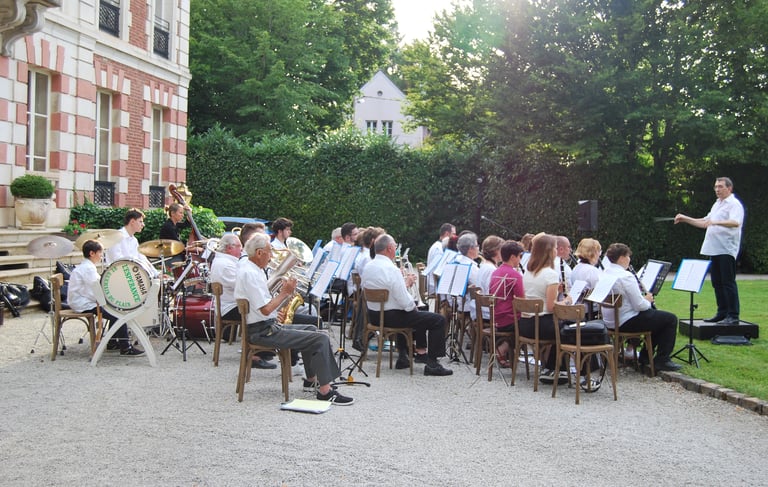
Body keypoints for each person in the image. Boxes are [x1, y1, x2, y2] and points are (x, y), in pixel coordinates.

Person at [234, 233, 354, 405]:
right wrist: (285, 293)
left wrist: (279, 305)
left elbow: (264, 304)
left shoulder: (250, 267)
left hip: (263, 326)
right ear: (259, 253)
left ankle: (311, 380)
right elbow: (266, 309)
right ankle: (325, 391)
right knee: (320, 338)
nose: (271, 256)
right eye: (269, 252)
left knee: (312, 329)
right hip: (263, 331)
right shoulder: (250, 273)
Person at [362, 234, 453, 376]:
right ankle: (433, 364)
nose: (396, 249)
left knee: (412, 313)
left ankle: (403, 356)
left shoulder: (368, 267)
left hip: (373, 316)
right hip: (391, 317)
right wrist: (413, 306)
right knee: (437, 320)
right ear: (389, 248)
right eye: (395, 247)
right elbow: (403, 299)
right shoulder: (391, 269)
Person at [675, 177, 744, 325]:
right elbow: (705, 222)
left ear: (729, 188)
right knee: (717, 283)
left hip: (726, 249)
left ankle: (733, 315)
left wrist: (715, 222)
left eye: (720, 186)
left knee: (728, 282)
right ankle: (722, 313)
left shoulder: (734, 204)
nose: (717, 189)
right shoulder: (717, 204)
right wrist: (685, 218)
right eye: (715, 187)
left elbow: (735, 222)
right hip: (714, 249)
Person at [602, 243, 681, 372]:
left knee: (658, 318)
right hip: (626, 321)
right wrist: (648, 300)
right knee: (670, 319)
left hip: (610, 320)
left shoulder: (605, 272)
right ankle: (662, 360)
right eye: (628, 256)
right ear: (621, 258)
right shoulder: (626, 276)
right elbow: (639, 305)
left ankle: (645, 356)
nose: (629, 259)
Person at [209, 233, 276, 369]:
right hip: (230, 308)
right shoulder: (226, 264)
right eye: (239, 246)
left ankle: (264, 351)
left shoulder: (223, 261)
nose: (242, 249)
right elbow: (244, 286)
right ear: (229, 248)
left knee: (264, 309)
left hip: (230, 305)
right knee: (261, 313)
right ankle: (257, 354)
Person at [67, 240, 144, 356]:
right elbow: (96, 289)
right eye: (100, 253)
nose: (101, 256)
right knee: (119, 314)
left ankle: (112, 342)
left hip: (83, 300)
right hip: (83, 303)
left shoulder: (87, 266)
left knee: (116, 311)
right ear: (92, 253)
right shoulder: (88, 268)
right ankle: (125, 347)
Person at [521, 234, 571, 383]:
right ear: (549, 251)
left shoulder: (528, 271)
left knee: (567, 327)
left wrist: (556, 291)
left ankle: (552, 367)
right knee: (572, 329)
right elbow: (551, 307)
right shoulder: (550, 274)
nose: (556, 251)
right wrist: (567, 301)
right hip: (541, 324)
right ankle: (557, 369)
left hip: (525, 323)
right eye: (555, 248)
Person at [489, 240, 526, 366]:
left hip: (496, 316)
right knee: (533, 325)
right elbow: (522, 301)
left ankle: (508, 349)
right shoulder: (515, 275)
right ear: (512, 257)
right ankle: (504, 348)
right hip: (509, 319)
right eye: (520, 256)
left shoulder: (495, 272)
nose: (520, 260)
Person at [105, 208, 157, 277]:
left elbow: (142, 258)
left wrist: (156, 273)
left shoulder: (134, 240)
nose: (143, 225)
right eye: (140, 221)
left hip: (132, 274)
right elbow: (117, 261)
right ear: (132, 221)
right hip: (118, 276)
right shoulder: (116, 237)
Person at [426, 223, 456, 294]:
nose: (455, 237)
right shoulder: (439, 249)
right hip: (435, 285)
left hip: (434, 282)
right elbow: (439, 272)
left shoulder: (437, 245)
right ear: (447, 234)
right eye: (453, 234)